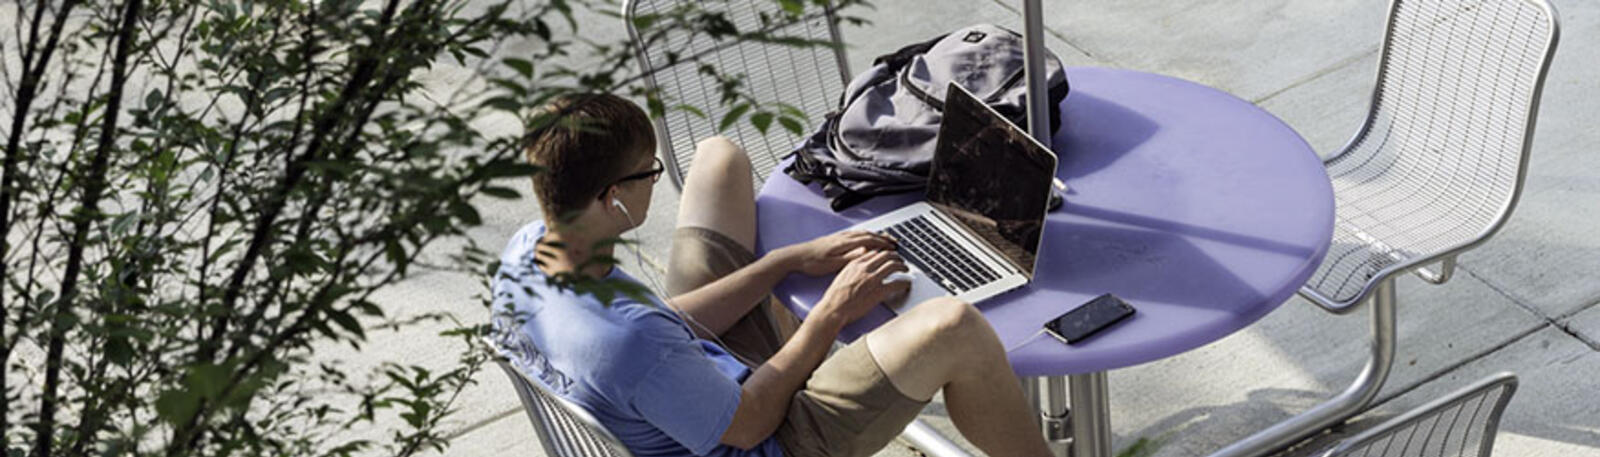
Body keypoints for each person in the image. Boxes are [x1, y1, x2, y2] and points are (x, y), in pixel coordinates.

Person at [489, 92, 1053, 457]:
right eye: (649, 172)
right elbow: (751, 422)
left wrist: (784, 262)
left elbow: (659, 328)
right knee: (952, 324)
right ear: (613, 197)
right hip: (765, 435)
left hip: (695, 383)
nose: (656, 181)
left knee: (719, 159)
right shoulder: (630, 342)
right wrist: (832, 313)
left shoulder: (528, 251)